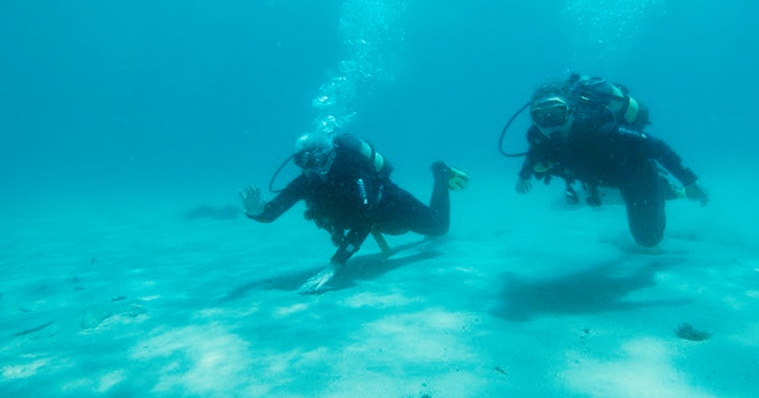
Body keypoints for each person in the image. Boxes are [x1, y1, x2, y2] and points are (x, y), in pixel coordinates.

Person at [240, 133, 469, 293]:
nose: (311, 168)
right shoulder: (307, 180)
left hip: (393, 207)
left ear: (327, 153)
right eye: (303, 162)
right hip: (369, 221)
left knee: (439, 228)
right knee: (412, 231)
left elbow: (366, 217)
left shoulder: (355, 171)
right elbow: (270, 214)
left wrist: (335, 265)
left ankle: (441, 173)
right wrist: (256, 211)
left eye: (315, 159)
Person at [515, 76, 708, 247]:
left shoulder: (603, 130)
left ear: (571, 111)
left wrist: (689, 181)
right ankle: (637, 194)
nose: (550, 123)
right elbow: (533, 153)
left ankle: (661, 187)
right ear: (534, 120)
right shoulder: (538, 137)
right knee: (567, 204)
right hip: (598, 178)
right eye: (541, 116)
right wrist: (523, 176)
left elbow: (656, 146)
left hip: (633, 175)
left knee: (648, 240)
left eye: (557, 113)